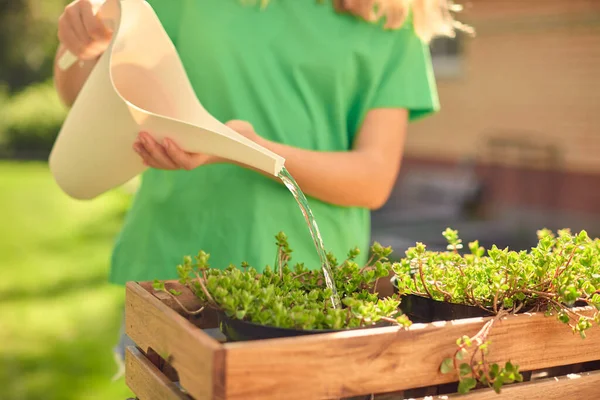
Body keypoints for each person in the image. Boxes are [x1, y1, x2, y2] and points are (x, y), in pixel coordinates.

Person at [54, 0, 466, 365]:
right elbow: (80, 96)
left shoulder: (390, 15)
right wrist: (86, 46)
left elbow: (372, 178)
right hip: (175, 276)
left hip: (309, 295)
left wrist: (249, 149)